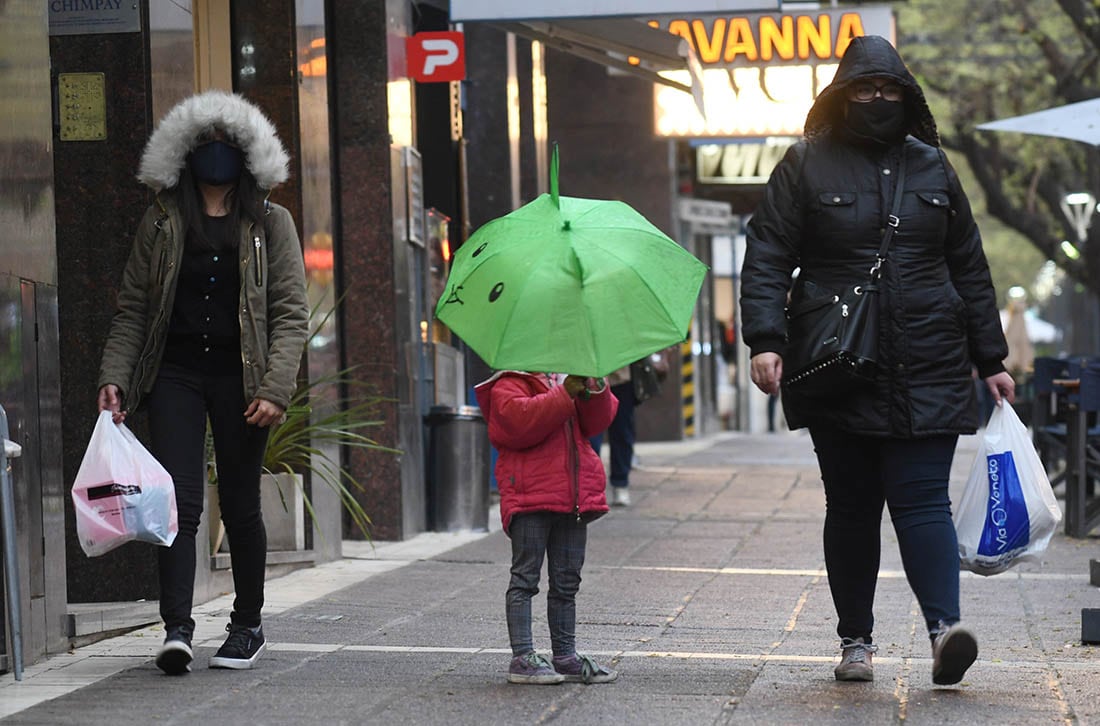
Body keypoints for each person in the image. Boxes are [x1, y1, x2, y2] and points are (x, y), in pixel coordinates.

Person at [739, 36, 1014, 686]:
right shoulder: (805, 164)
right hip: (837, 362)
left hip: (930, 358)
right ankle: (855, 640)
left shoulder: (935, 169)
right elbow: (769, 253)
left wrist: (992, 357)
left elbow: (969, 267)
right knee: (854, 505)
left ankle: (945, 632)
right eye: (864, 91)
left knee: (923, 501)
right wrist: (765, 339)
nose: (877, 101)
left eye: (889, 91)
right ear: (841, 96)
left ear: (906, 97)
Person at [97, 90, 309, 675]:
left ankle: (247, 625)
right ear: (184, 154)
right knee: (176, 502)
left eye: (228, 145)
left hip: (244, 381)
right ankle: (178, 629)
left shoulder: (271, 222)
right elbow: (134, 309)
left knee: (241, 504)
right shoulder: (162, 221)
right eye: (205, 145)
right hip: (176, 376)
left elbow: (292, 312)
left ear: (248, 156)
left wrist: (274, 387)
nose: (216, 154)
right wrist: (115, 376)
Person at [474, 370, 619, 684]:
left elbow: (596, 424)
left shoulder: (564, 378)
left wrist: (596, 390)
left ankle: (565, 655)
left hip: (572, 497)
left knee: (567, 582)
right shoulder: (508, 383)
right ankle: (522, 656)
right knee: (525, 578)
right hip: (531, 498)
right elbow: (520, 425)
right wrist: (562, 394)